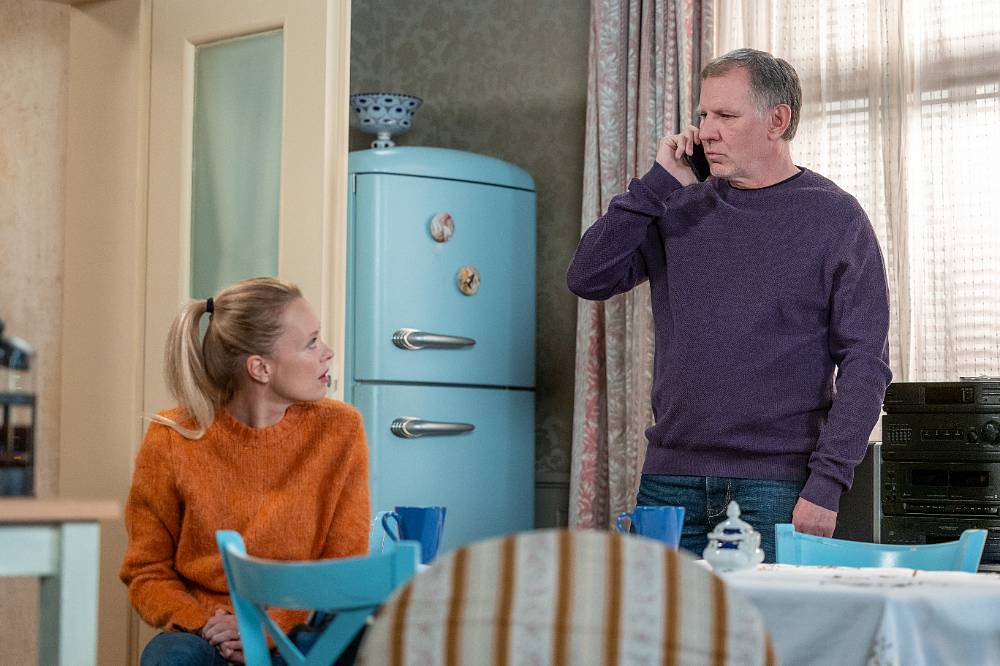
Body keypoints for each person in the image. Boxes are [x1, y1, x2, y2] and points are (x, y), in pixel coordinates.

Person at [566, 48, 891, 562]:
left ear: (777, 120)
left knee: (766, 619)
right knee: (658, 617)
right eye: (703, 114)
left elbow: (865, 363)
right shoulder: (677, 203)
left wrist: (828, 483)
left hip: (779, 488)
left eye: (726, 115)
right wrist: (655, 185)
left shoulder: (836, 218)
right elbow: (588, 277)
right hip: (670, 483)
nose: (706, 131)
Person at [120, 277, 370, 665]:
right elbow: (146, 571)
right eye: (311, 343)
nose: (328, 353)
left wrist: (264, 630)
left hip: (298, 633)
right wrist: (205, 624)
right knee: (169, 654)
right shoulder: (171, 437)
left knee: (365, 638)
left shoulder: (341, 429)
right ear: (260, 368)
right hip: (208, 635)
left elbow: (343, 567)